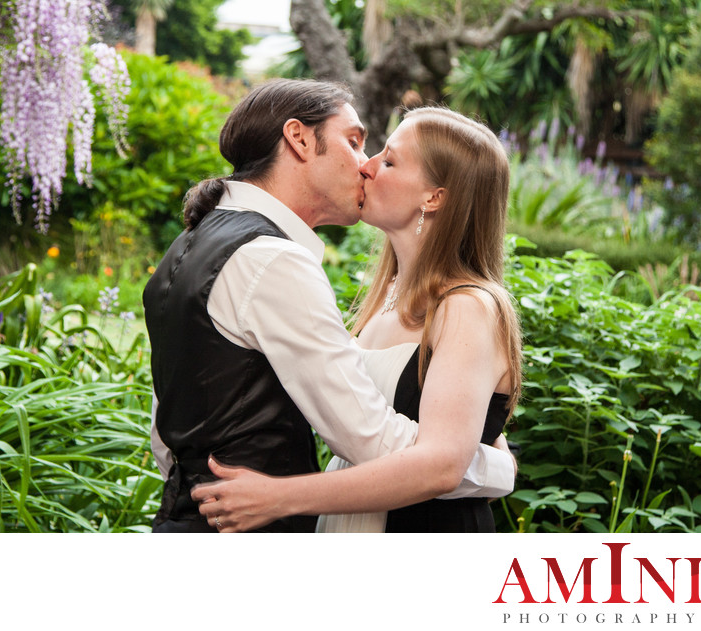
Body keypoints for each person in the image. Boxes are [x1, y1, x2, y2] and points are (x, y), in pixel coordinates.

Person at [143, 79, 516, 533]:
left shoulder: (190, 246)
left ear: (435, 197)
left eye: (387, 158)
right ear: (298, 138)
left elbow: (167, 432)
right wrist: (493, 469)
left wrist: (459, 459)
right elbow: (377, 438)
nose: (367, 166)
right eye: (357, 144)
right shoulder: (288, 265)